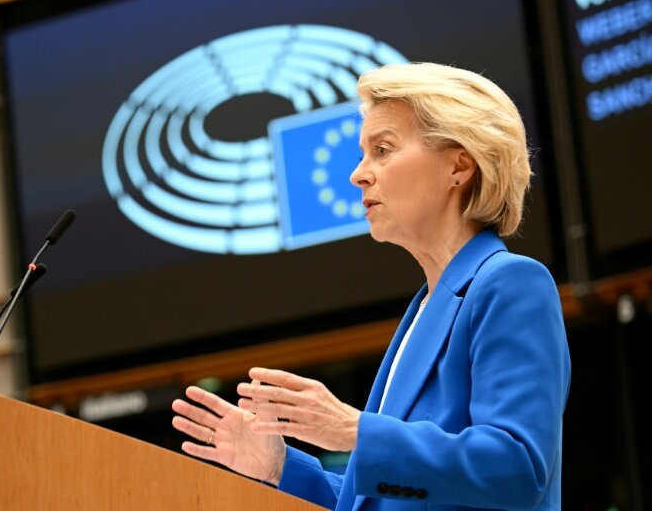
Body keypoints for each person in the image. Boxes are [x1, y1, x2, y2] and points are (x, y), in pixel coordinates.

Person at [171, 62, 571, 510]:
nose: (358, 174)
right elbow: (385, 497)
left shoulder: (511, 283)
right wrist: (280, 467)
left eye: (383, 150)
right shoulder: (424, 308)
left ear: (459, 166)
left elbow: (517, 469)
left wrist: (354, 431)